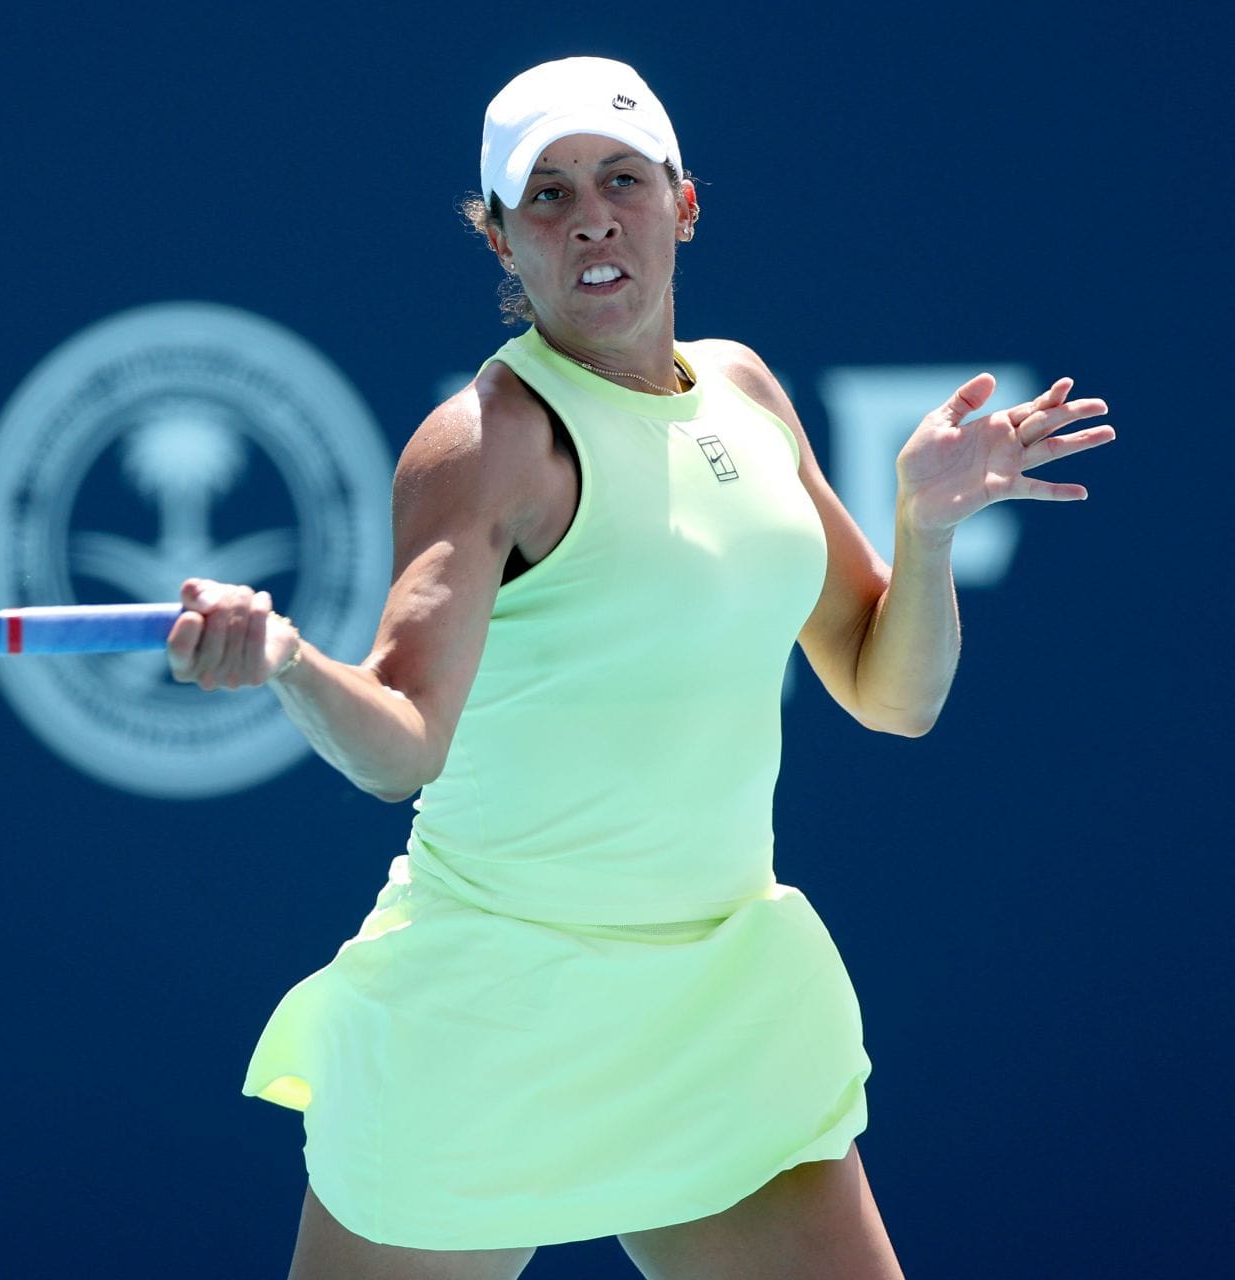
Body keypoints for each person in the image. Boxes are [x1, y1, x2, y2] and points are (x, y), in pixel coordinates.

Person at [166, 56, 1114, 1280]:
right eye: (547, 196)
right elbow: (401, 740)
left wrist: (924, 532)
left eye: (622, 179)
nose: (591, 216)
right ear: (502, 240)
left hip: (713, 1010)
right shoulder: (486, 442)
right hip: (493, 1009)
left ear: (683, 203)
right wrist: (291, 659)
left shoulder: (745, 390)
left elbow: (894, 692)